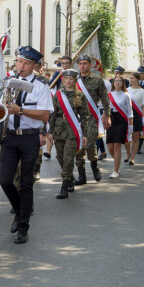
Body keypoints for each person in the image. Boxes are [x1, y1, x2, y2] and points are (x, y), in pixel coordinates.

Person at [0, 46, 53, 245]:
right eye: (19, 62)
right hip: (11, 137)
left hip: (30, 137)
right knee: (5, 180)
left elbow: (45, 114)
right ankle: (20, 209)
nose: (20, 66)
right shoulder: (8, 81)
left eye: (26, 63)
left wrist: (20, 110)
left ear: (34, 66)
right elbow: (0, 108)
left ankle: (23, 227)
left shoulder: (41, 85)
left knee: (26, 183)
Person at [48, 69, 89, 199]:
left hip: (72, 130)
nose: (69, 80)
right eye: (66, 78)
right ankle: (70, 178)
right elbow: (53, 114)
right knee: (60, 158)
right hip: (59, 129)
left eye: (71, 78)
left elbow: (84, 116)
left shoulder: (80, 96)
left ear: (75, 80)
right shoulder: (58, 95)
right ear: (63, 80)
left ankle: (64, 187)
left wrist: (85, 134)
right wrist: (50, 132)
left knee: (68, 158)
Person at [73, 55, 110, 186]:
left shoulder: (97, 80)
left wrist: (107, 115)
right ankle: (82, 175)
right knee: (79, 146)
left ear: (90, 65)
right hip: (76, 118)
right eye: (80, 63)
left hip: (91, 117)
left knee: (89, 144)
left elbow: (105, 98)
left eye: (85, 63)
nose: (82, 66)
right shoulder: (73, 80)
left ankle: (95, 166)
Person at [107, 76, 133, 179]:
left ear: (123, 83)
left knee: (117, 145)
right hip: (111, 119)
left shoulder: (126, 96)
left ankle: (115, 170)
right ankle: (118, 161)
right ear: (113, 83)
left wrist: (130, 127)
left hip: (121, 120)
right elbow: (104, 108)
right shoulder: (108, 95)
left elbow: (129, 112)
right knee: (110, 147)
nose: (117, 83)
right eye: (116, 81)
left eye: (119, 81)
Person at [125, 72, 144, 165]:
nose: (131, 80)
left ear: (138, 79)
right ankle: (127, 153)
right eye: (130, 78)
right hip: (127, 116)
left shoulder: (142, 91)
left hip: (137, 116)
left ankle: (133, 158)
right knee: (126, 137)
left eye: (133, 78)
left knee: (135, 138)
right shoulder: (126, 90)